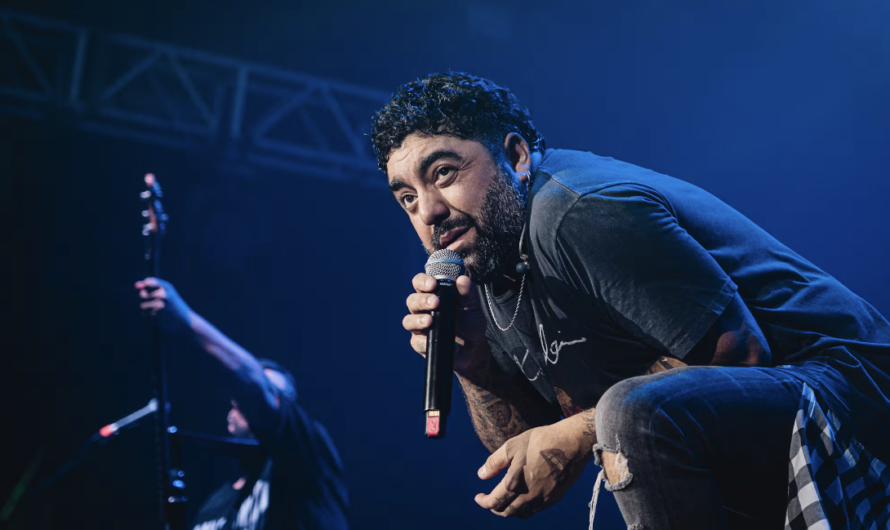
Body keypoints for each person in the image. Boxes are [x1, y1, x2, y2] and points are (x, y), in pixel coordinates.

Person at [372, 72, 890, 529]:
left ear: (516, 156)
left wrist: (583, 428)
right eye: (407, 197)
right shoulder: (486, 257)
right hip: (747, 426)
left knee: (628, 414)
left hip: (850, 389)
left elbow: (740, 353)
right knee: (624, 417)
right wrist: (473, 360)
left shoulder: (574, 212)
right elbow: (535, 442)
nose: (429, 212)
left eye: (444, 173)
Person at [135, 277, 349, 530]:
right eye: (240, 396)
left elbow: (255, 386)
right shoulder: (213, 506)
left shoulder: (307, 467)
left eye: (269, 393)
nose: (245, 401)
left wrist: (187, 321)